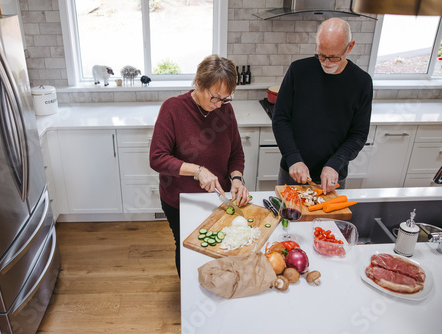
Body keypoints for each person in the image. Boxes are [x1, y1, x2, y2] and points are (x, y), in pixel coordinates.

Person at [149, 54, 250, 276]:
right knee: (188, 249)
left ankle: (215, 291)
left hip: (217, 198)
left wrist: (236, 179)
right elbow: (157, 157)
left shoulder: (225, 110)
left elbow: (236, 153)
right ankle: (189, 298)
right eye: (215, 97)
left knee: (218, 246)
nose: (219, 104)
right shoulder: (173, 109)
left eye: (225, 99)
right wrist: (198, 170)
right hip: (180, 200)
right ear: (198, 84)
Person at [272, 18, 373, 194]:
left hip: (333, 176)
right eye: (321, 55)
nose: (326, 62)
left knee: (328, 221)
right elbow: (280, 119)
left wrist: (336, 163)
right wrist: (293, 158)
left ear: (350, 47)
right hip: (293, 171)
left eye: (333, 57)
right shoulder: (298, 71)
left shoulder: (361, 82)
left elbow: (358, 134)